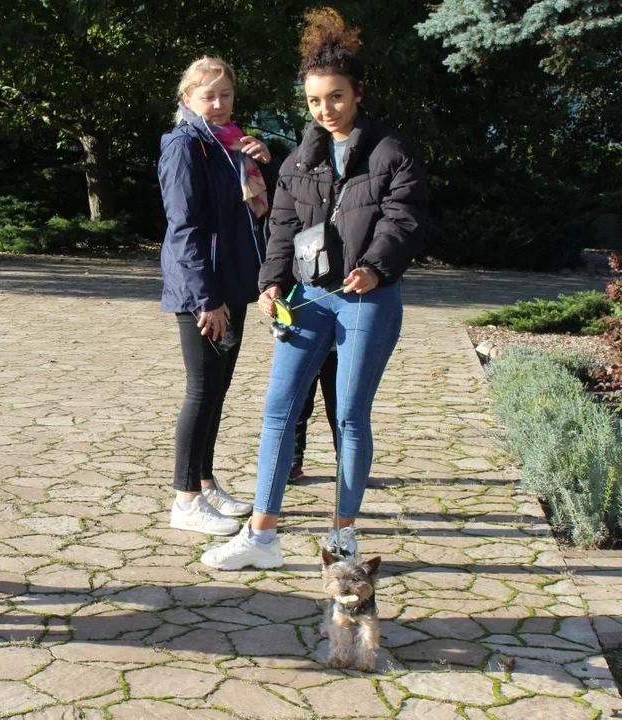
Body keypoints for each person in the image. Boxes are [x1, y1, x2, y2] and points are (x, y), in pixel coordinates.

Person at [201, 8, 426, 570]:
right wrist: (270, 283)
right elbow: (281, 225)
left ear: (358, 94)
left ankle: (344, 535)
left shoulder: (391, 152)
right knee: (278, 410)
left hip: (369, 299)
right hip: (308, 299)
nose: (325, 110)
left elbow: (403, 220)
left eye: (336, 98)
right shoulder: (301, 159)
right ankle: (262, 535)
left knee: (350, 414)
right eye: (314, 101)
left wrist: (375, 266)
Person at [158, 56, 272, 536]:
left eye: (226, 94)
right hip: (201, 289)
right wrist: (207, 299)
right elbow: (184, 227)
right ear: (188, 99)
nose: (220, 104)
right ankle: (184, 499)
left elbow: (248, 214)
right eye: (209, 96)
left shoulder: (230, 144)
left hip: (232, 284)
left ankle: (204, 483)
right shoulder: (184, 146)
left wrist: (263, 164)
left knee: (218, 390)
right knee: (201, 391)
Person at [289, 348, 338, 481]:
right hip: (306, 347)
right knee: (299, 408)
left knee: (339, 412)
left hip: (338, 350)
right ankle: (294, 461)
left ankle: (346, 464)